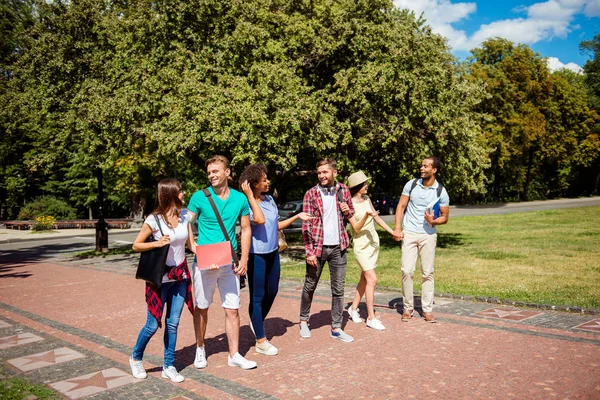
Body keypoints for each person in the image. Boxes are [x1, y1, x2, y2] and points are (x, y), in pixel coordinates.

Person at [187, 155, 257, 370]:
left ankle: (234, 354)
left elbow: (246, 229)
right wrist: (193, 246)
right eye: (209, 172)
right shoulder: (199, 197)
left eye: (216, 171)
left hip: (229, 262)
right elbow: (185, 223)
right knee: (202, 306)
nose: (211, 175)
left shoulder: (240, 199)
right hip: (204, 261)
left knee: (233, 309)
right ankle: (200, 348)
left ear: (227, 172)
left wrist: (244, 258)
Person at [239, 163, 312, 356]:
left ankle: (256, 322)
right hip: (256, 254)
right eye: (264, 179)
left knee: (272, 291)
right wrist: (249, 196)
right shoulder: (246, 204)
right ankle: (261, 340)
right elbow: (260, 220)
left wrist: (297, 216)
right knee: (257, 296)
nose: (268, 181)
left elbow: (275, 225)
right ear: (254, 183)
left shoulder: (270, 199)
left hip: (272, 252)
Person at [130, 178, 195, 383]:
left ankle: (169, 365)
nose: (184, 193)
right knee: (152, 325)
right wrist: (157, 243)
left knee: (173, 323)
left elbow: (192, 245)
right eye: (181, 190)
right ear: (170, 194)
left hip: (180, 277)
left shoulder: (185, 216)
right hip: (159, 280)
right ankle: (136, 358)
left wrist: (215, 257)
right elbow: (136, 245)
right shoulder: (153, 220)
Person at [299, 157, 355, 342]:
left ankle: (336, 328)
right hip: (318, 247)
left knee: (338, 290)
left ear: (334, 172)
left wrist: (347, 210)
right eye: (319, 173)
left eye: (325, 172)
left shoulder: (344, 190)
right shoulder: (311, 194)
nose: (322, 175)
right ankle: (304, 321)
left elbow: (350, 215)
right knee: (310, 285)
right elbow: (305, 226)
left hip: (339, 247)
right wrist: (309, 252)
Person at [393, 156, 450, 323]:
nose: (422, 168)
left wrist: (434, 221)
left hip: (428, 235)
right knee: (407, 270)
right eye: (421, 166)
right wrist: (397, 228)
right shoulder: (411, 184)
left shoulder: (441, 191)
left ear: (434, 170)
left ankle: (427, 310)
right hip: (409, 233)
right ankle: (408, 308)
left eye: (426, 166)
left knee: (427, 273)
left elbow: (445, 217)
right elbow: (401, 206)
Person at [345, 171, 399, 331]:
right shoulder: (349, 205)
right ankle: (371, 317)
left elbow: (377, 218)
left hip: (372, 244)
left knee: (365, 279)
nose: (367, 185)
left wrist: (392, 232)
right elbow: (356, 228)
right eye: (364, 183)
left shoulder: (367, 199)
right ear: (357, 186)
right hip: (361, 246)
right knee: (372, 279)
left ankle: (353, 308)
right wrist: (366, 216)